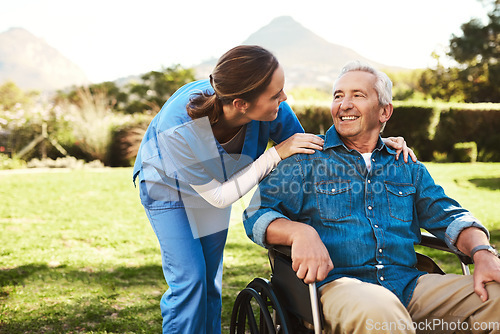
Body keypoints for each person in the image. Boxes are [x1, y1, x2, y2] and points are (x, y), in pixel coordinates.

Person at [133, 46, 414, 334]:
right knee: (190, 280)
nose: (284, 98)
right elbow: (219, 197)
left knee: (209, 282)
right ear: (243, 103)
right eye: (276, 94)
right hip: (168, 188)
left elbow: (314, 153)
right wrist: (274, 154)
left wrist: (375, 143)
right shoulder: (179, 125)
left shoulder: (273, 108)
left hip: (218, 186)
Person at [243, 61, 500, 333]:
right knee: (382, 313)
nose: (344, 104)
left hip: (409, 285)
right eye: (338, 96)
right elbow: (255, 213)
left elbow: (451, 217)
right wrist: (299, 232)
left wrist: (483, 252)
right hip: (338, 286)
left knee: (495, 296)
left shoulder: (406, 165)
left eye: (358, 95)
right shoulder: (306, 159)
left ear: (384, 111)